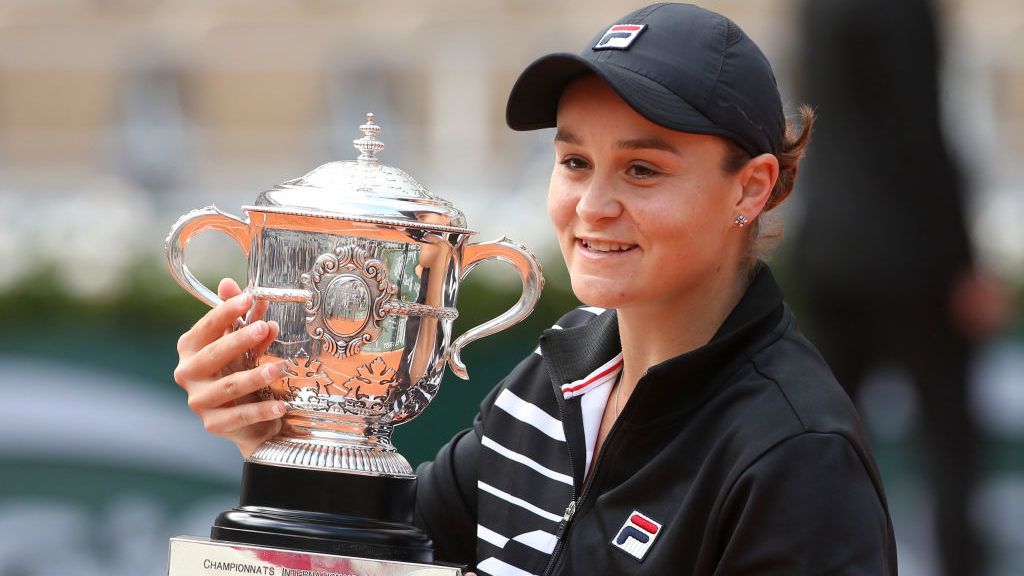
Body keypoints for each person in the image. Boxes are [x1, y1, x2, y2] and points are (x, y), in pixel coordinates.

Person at [174, 4, 898, 574]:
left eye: (642, 170)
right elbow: (383, 557)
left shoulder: (797, 455)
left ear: (752, 187)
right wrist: (287, 441)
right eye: (576, 161)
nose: (592, 205)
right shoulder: (551, 381)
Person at [792, 1, 1008, 574]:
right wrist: (963, 262)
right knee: (948, 446)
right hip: (914, 257)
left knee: (822, 443)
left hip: (830, 252)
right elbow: (918, 131)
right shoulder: (903, 9)